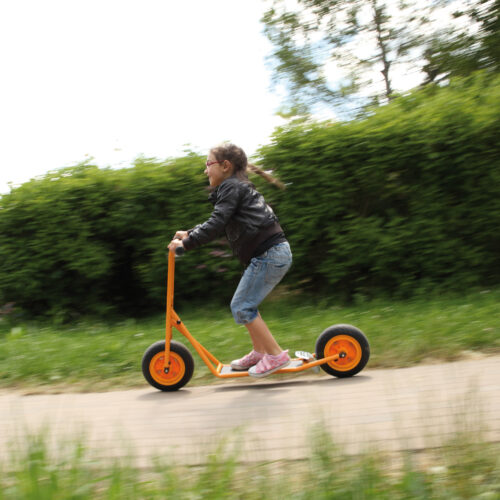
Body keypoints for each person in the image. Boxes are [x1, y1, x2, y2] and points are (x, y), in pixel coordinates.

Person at [167, 143, 292, 378]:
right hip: (271, 253)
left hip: (269, 254)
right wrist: (191, 234)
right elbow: (219, 221)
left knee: (242, 306)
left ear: (225, 166)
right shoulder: (236, 188)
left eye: (208, 164)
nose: (205, 171)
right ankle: (259, 352)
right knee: (246, 305)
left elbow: (216, 223)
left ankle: (275, 355)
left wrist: (186, 244)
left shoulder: (231, 187)